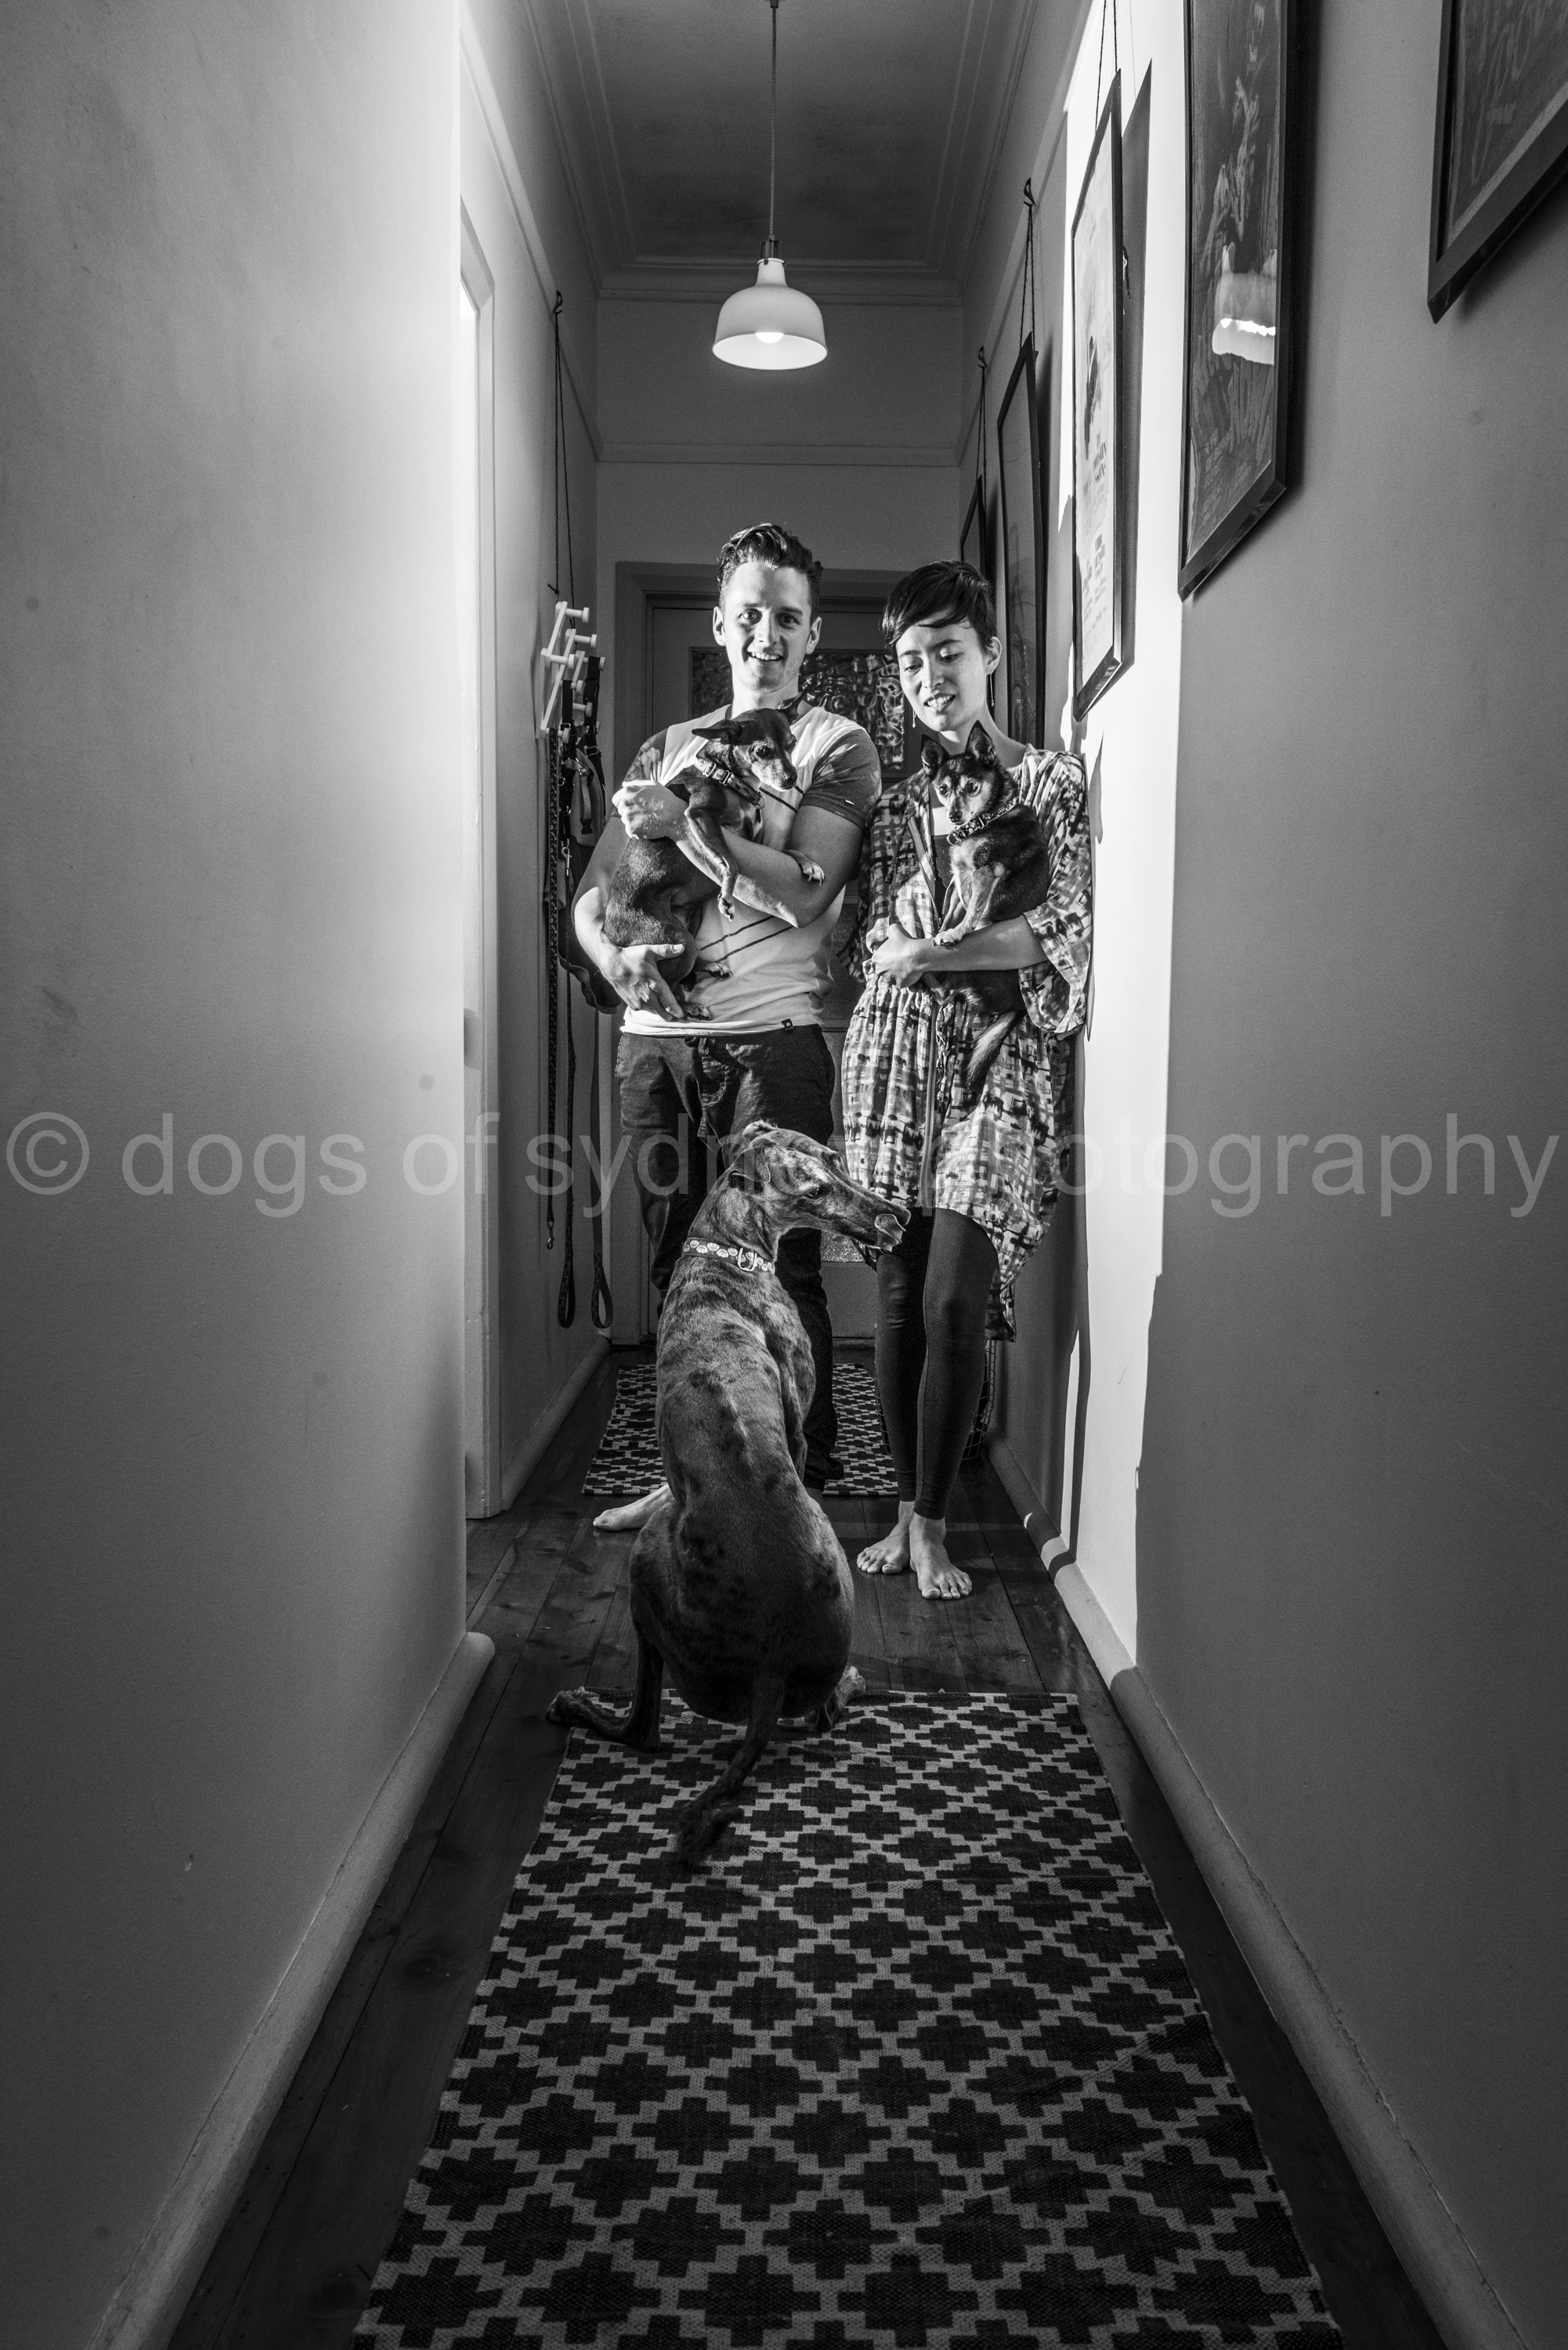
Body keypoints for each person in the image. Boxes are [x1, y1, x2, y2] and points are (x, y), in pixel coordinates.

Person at [573, 522, 881, 1524]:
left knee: (782, 1271)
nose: (766, 636)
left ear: (811, 633)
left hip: (773, 1048)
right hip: (655, 1050)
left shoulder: (838, 747)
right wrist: (613, 959)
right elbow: (590, 898)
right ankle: (693, 1483)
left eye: (787, 619)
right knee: (679, 1271)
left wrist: (691, 828)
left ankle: (797, 1492)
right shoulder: (665, 748)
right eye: (749, 615)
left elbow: (806, 894)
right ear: (719, 624)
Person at [841, 562, 1090, 1600]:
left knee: (954, 1298)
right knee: (899, 1295)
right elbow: (870, 943)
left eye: (946, 652)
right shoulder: (893, 809)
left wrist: (931, 953)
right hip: (896, 1059)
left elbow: (1055, 932)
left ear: (990, 653)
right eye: (909, 662)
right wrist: (900, 951)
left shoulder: (1051, 784)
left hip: (1000, 1063)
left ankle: (937, 1525)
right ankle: (906, 1516)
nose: (928, 677)